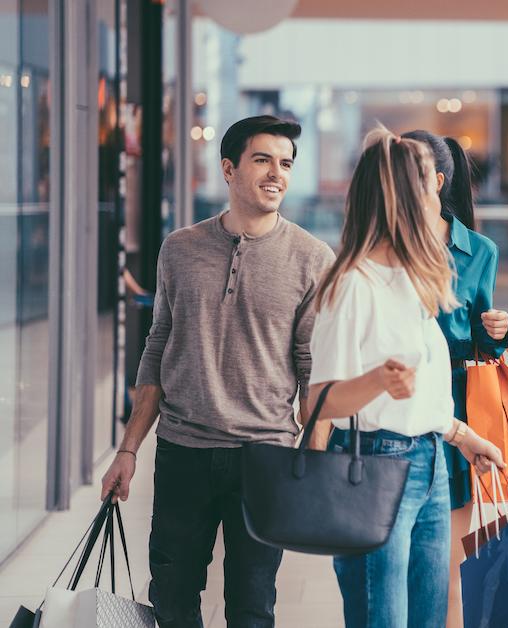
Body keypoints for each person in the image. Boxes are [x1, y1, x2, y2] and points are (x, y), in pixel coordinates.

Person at [99, 115, 336, 627]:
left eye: (286, 163)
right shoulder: (179, 249)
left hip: (266, 455)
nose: (277, 173)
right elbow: (159, 345)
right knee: (173, 597)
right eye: (263, 160)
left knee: (252, 606)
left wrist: (310, 466)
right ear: (229, 169)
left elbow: (313, 372)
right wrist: (127, 449)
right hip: (184, 448)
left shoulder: (313, 259)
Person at [306, 128, 504, 627]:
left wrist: (464, 437)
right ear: (394, 198)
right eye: (422, 182)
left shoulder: (417, 280)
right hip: (375, 464)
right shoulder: (352, 286)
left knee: (428, 619)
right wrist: (376, 381)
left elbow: (428, 396)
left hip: (431, 459)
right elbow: (315, 405)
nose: (437, 191)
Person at [400, 129, 508, 628]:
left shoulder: (479, 250)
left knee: (446, 570)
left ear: (438, 180)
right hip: (394, 414)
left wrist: (499, 332)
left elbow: (484, 347)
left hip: (453, 415)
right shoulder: (383, 244)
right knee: (394, 570)